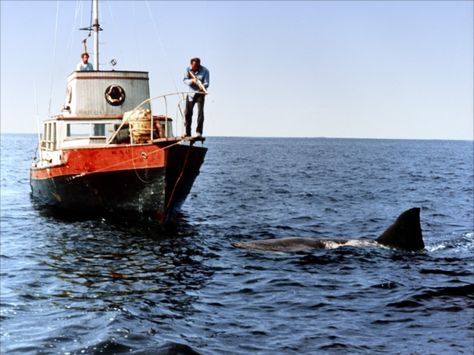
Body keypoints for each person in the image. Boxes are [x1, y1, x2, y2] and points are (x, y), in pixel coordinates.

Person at [183, 57, 209, 137]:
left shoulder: (205, 71)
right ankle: (187, 132)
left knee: (200, 113)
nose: (195, 68)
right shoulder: (188, 69)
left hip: (200, 94)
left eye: (197, 66)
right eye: (194, 67)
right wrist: (192, 81)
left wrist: (202, 86)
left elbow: (207, 83)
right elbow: (184, 80)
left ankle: (199, 132)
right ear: (191, 64)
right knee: (187, 113)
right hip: (190, 94)